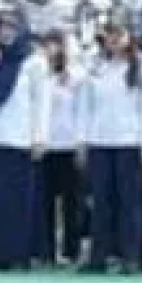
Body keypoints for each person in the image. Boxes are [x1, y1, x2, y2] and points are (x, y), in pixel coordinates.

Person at [0, 8, 48, 271]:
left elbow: (41, 102)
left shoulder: (34, 62)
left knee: (17, 201)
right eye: (1, 28)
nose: (5, 33)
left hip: (20, 139)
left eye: (11, 28)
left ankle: (16, 254)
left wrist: (39, 136)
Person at [79, 13, 142, 273]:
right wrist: (83, 139)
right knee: (101, 201)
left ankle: (129, 255)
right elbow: (85, 106)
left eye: (118, 34)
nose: (113, 40)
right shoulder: (95, 66)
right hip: (100, 139)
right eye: (109, 34)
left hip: (128, 140)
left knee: (128, 202)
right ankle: (99, 255)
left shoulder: (140, 68)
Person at [39, 29, 85, 267]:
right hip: (46, 144)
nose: (53, 50)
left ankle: (71, 249)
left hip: (69, 144)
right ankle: (45, 250)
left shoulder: (77, 78)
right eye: (48, 45)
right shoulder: (40, 74)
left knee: (71, 201)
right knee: (45, 201)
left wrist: (80, 141)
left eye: (57, 45)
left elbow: (81, 111)